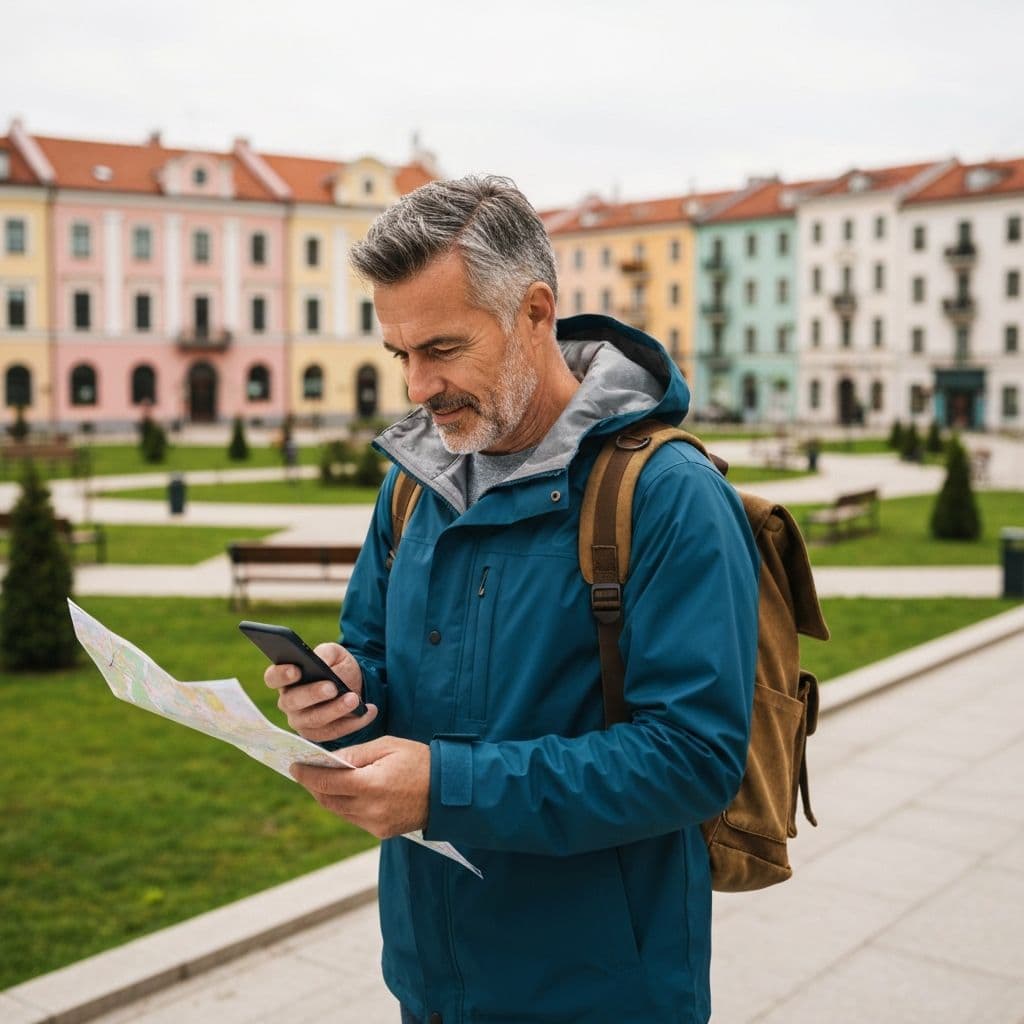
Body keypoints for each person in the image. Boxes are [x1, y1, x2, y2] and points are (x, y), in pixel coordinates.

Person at [266, 176, 759, 1024]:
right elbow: (377, 658)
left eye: (444, 349)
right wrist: (342, 692)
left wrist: (445, 785)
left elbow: (693, 760)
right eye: (402, 355)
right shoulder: (413, 485)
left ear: (536, 313)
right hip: (430, 975)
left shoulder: (667, 494)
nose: (418, 386)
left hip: (603, 991)